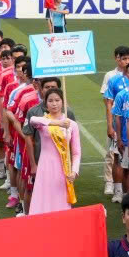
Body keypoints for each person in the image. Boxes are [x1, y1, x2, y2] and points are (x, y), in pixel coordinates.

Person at [23, 84, 80, 216]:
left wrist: (74, 171)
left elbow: (76, 152)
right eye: (50, 101)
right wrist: (57, 123)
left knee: (61, 202)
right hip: (45, 168)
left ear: (63, 102)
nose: (54, 104)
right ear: (45, 103)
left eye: (57, 100)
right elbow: (33, 120)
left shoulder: (72, 125)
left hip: (64, 170)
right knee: (43, 201)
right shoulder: (44, 122)